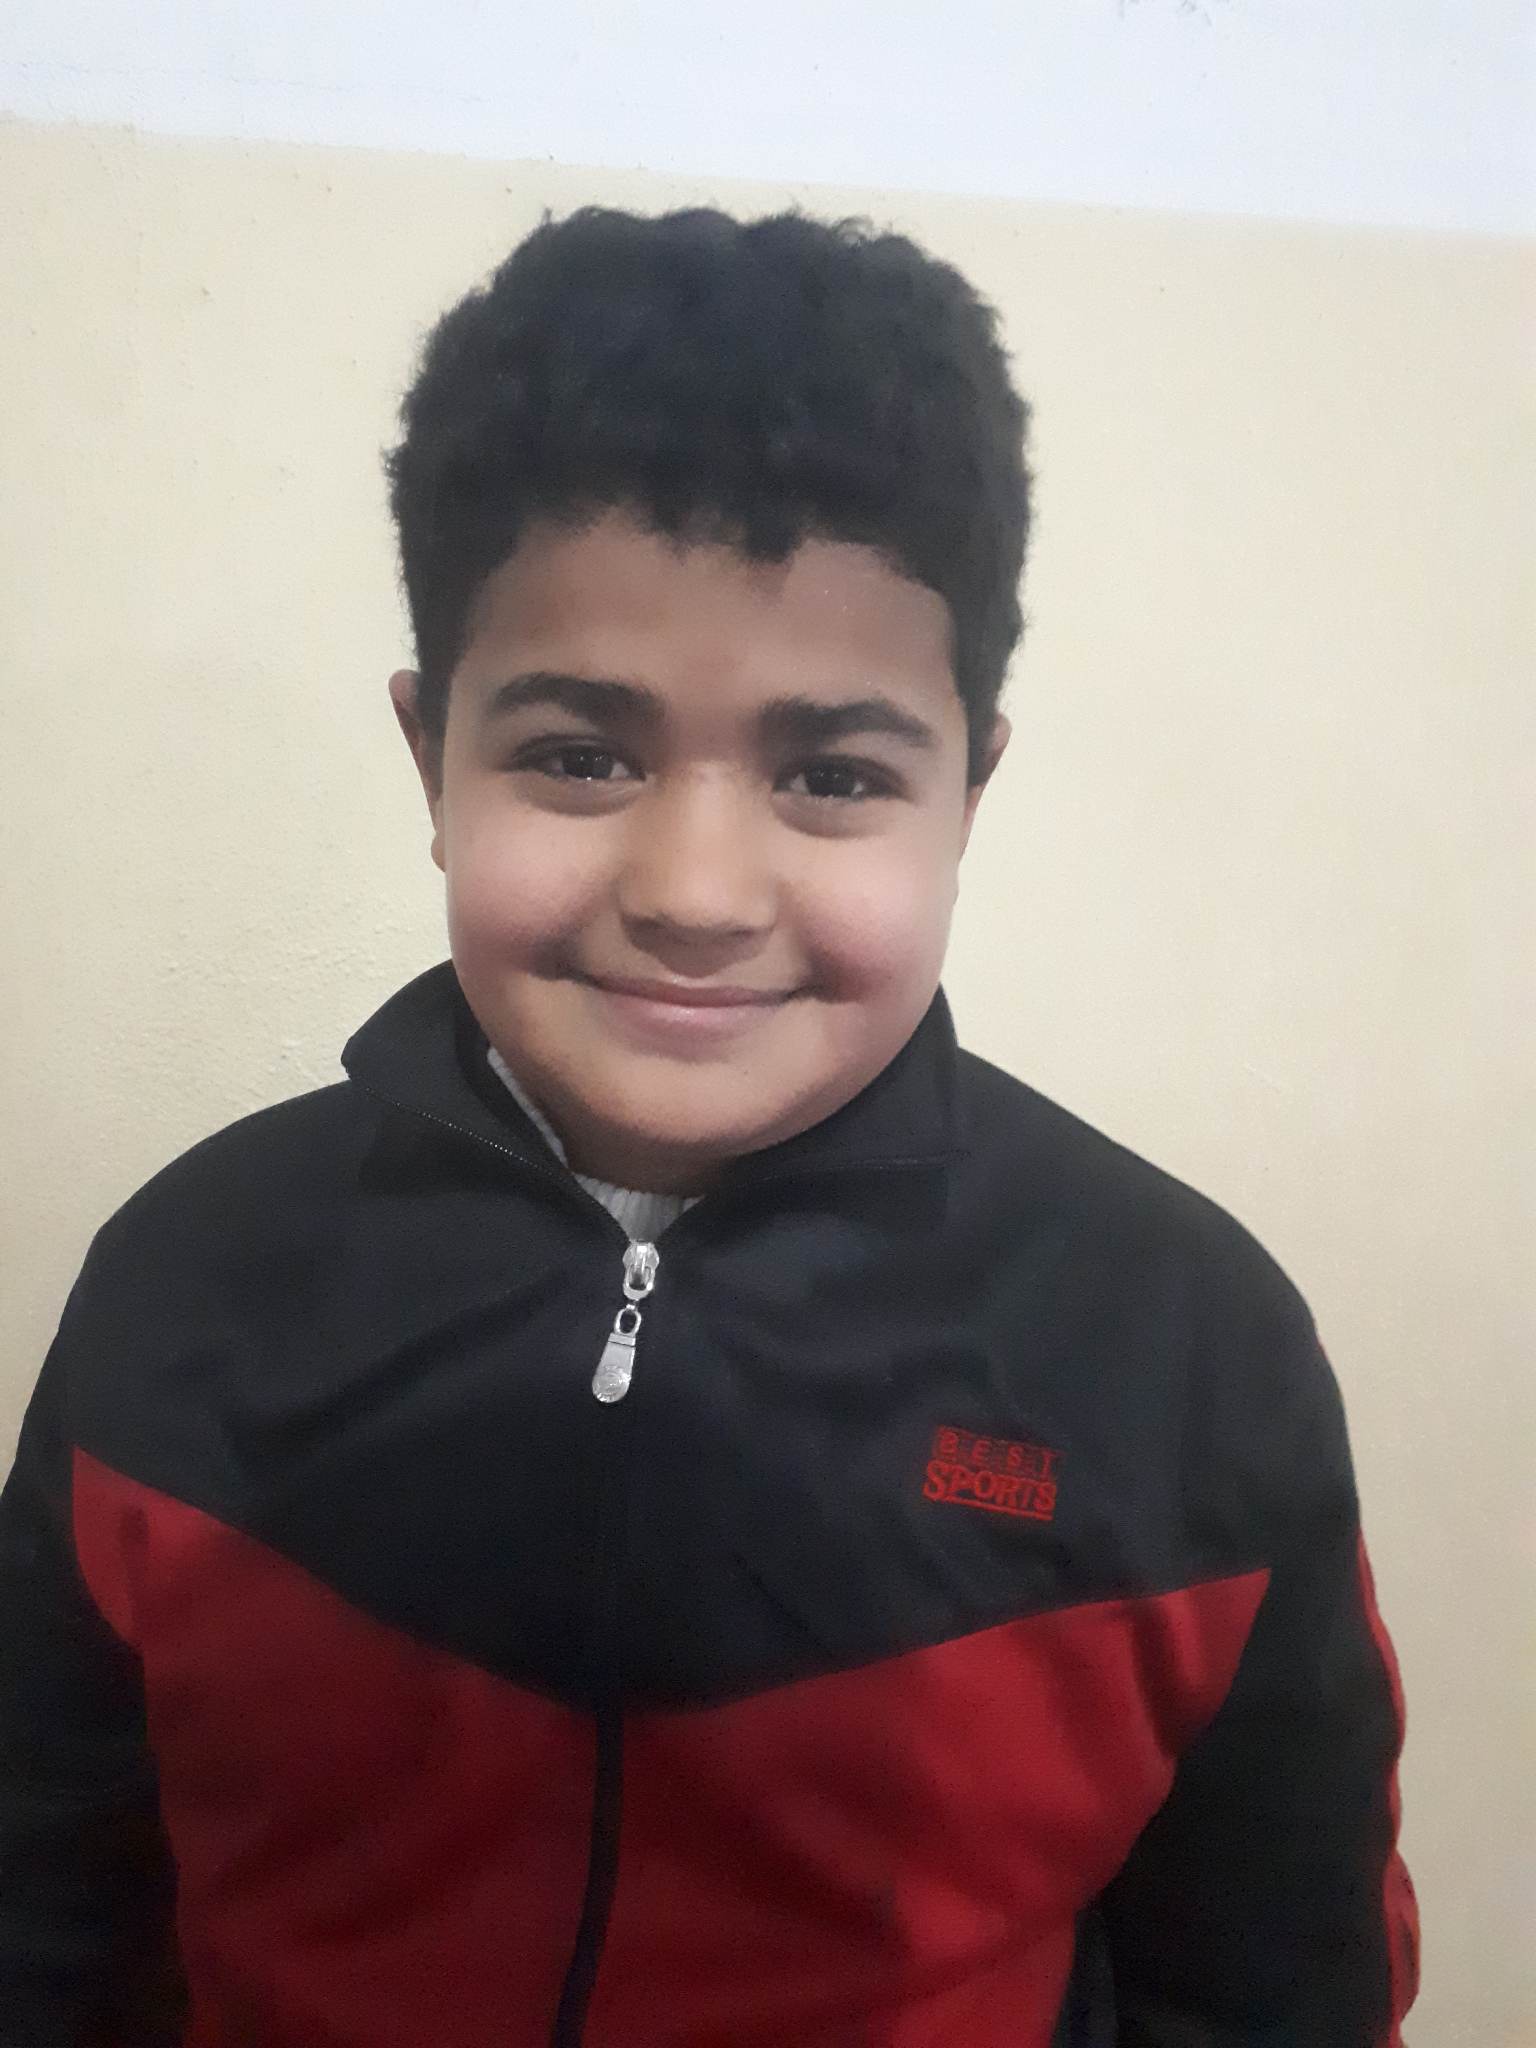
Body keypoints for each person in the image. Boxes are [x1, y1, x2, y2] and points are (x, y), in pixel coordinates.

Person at [0, 206, 1417, 2047]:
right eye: (580, 756)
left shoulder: (1184, 1350)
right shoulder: (192, 1280)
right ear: (432, 761)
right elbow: (46, 1910)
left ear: (969, 794)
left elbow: (1281, 1983)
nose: (693, 892)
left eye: (833, 775)